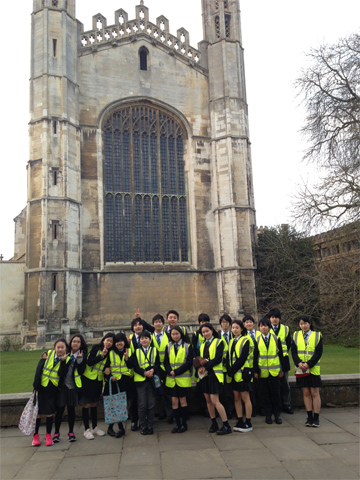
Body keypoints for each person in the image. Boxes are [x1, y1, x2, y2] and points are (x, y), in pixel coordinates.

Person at [32, 338, 70, 447]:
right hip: (41, 387)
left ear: (65, 349)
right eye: (58, 347)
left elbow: (62, 374)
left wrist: (62, 362)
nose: (60, 349)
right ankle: (35, 435)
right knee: (38, 413)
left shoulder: (66, 359)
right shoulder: (48, 354)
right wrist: (36, 385)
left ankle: (48, 435)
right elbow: (39, 368)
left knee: (49, 413)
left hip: (52, 388)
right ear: (54, 348)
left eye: (62, 347)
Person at [196, 323, 232, 435]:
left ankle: (226, 425)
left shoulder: (219, 342)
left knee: (215, 401)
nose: (205, 333)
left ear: (212, 330)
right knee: (208, 400)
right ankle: (214, 423)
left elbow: (217, 359)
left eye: (207, 331)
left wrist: (204, 366)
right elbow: (201, 359)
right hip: (205, 376)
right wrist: (200, 367)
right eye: (203, 332)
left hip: (214, 375)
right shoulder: (202, 344)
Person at [53, 334, 88, 443]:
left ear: (81, 344)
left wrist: (79, 360)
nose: (76, 343)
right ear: (70, 343)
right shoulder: (64, 353)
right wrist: (63, 361)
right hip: (63, 387)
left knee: (71, 411)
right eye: (74, 341)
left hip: (73, 387)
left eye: (78, 342)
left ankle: (71, 432)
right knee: (60, 411)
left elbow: (82, 371)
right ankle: (56, 433)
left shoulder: (83, 355)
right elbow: (60, 372)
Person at [81, 332, 115, 439]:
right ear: (104, 340)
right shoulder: (96, 348)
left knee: (94, 403)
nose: (109, 343)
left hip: (98, 380)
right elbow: (89, 362)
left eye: (111, 341)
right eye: (107, 340)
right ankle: (86, 429)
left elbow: (107, 366)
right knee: (86, 404)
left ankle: (95, 427)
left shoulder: (110, 353)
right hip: (88, 379)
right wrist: (101, 356)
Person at [291, 314, 323, 427]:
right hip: (301, 369)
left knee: (315, 393)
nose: (303, 326)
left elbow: (318, 353)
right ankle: (309, 417)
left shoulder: (317, 335)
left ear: (309, 324)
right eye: (301, 324)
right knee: (306, 393)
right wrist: (299, 363)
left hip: (313, 369)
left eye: (305, 323)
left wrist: (308, 364)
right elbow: (293, 352)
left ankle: (316, 417)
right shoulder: (295, 335)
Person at [253, 317, 284, 425]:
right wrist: (255, 371)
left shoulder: (275, 338)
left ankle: (277, 415)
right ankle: (268, 415)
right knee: (264, 394)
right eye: (261, 326)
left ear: (269, 327)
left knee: (276, 393)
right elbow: (255, 357)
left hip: (274, 371)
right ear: (259, 328)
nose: (263, 327)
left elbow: (280, 355)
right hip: (263, 372)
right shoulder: (257, 340)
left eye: (265, 325)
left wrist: (282, 369)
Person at [164, 326, 193, 433]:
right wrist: (169, 371)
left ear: (181, 334)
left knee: (183, 401)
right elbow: (165, 362)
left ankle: (184, 424)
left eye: (177, 334)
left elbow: (189, 362)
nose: (175, 336)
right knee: (174, 402)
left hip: (182, 378)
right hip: (171, 379)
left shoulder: (187, 346)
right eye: (173, 334)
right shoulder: (168, 346)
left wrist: (176, 371)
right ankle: (177, 424)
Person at [104, 333, 133, 438]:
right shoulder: (110, 353)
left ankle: (118, 428)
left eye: (121, 341)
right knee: (115, 405)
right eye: (117, 341)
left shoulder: (128, 351)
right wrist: (110, 376)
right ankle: (117, 428)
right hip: (114, 382)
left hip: (125, 381)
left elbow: (131, 365)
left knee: (122, 405)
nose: (119, 343)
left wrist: (127, 359)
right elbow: (106, 368)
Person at [132, 330, 160, 435]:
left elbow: (157, 363)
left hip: (152, 380)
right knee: (142, 405)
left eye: (146, 338)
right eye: (142, 338)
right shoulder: (136, 351)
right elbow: (135, 366)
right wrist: (144, 373)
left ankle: (150, 425)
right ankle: (143, 425)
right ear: (139, 340)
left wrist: (153, 370)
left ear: (150, 339)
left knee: (151, 404)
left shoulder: (154, 350)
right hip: (140, 381)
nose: (144, 340)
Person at [227, 320, 252, 432]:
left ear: (242, 329)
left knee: (245, 398)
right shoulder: (231, 341)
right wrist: (229, 369)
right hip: (234, 374)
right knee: (236, 398)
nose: (235, 330)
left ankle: (248, 421)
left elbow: (243, 358)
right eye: (233, 328)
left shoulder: (246, 340)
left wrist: (233, 369)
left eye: (237, 328)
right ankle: (240, 419)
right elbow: (228, 357)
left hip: (242, 373)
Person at [268, 308, 294, 414]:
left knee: (285, 385)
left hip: (283, 360)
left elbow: (288, 344)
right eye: (273, 317)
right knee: (272, 386)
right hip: (270, 361)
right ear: (270, 318)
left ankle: (286, 405)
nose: (275, 320)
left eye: (276, 317)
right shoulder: (266, 328)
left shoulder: (285, 329)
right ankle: (275, 406)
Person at [151, 314, 170, 421]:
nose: (158, 324)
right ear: (153, 324)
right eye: (156, 322)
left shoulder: (168, 335)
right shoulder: (149, 337)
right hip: (155, 368)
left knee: (167, 392)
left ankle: (169, 413)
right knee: (157, 391)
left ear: (163, 323)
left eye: (160, 321)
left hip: (167, 368)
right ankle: (161, 411)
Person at [243, 315, 261, 416]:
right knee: (251, 389)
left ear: (253, 323)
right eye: (246, 322)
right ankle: (253, 408)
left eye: (250, 322)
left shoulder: (259, 333)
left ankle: (261, 407)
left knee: (261, 388)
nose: (249, 324)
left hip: (261, 363)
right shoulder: (243, 335)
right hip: (249, 366)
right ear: (244, 325)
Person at [218, 314, 234, 419]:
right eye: (223, 322)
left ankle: (230, 411)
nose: (225, 324)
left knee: (230, 391)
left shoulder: (233, 335)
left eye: (227, 322)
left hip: (232, 366)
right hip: (220, 367)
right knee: (221, 391)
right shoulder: (217, 335)